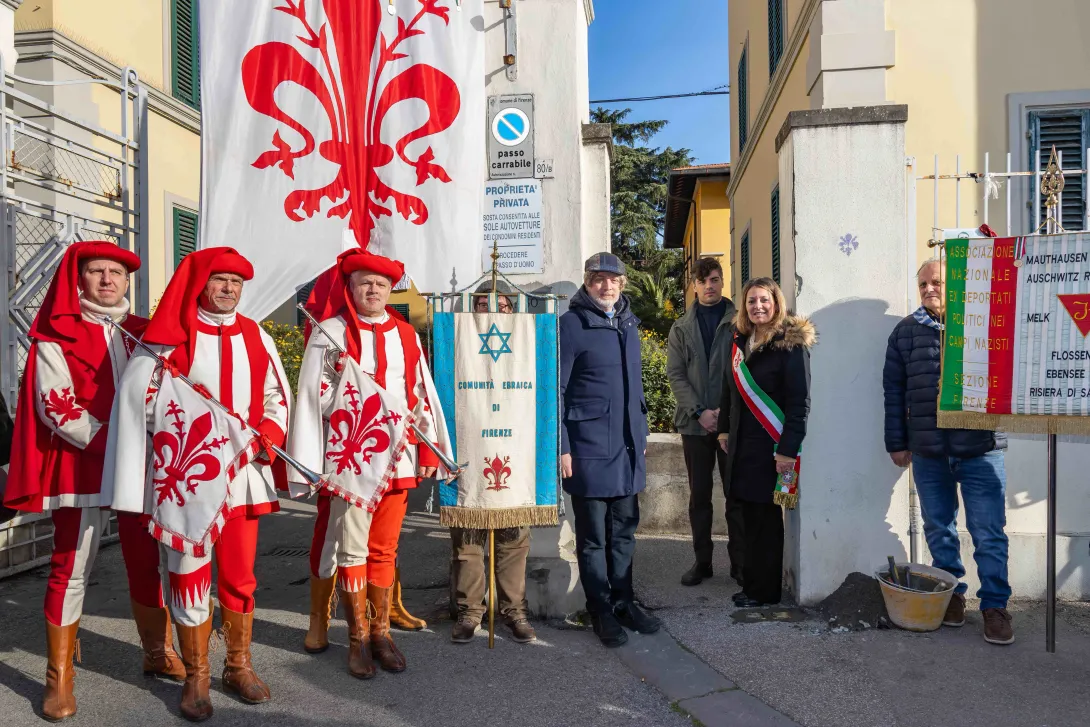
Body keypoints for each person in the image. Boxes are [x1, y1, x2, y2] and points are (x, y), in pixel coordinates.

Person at [106, 247, 291, 721]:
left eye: (237, 282)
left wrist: (263, 437)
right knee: (189, 572)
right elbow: (142, 403)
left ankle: (238, 664)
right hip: (188, 478)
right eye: (221, 280)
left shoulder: (256, 335)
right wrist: (195, 428)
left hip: (243, 474)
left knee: (239, 574)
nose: (230, 289)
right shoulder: (168, 337)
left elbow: (275, 396)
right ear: (202, 284)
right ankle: (197, 675)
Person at [2, 241, 184, 721]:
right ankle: (59, 677)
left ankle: (155, 650)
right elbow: (55, 404)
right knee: (71, 564)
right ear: (78, 280)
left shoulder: (147, 334)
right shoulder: (54, 333)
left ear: (129, 282)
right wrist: (117, 440)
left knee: (145, 558)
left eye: (117, 273)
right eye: (97, 272)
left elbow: (166, 393)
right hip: (82, 461)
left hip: (138, 464)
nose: (107, 280)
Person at [291, 249, 448, 678]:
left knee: (385, 549)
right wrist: (357, 396)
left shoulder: (405, 334)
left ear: (390, 289)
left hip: (397, 459)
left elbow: (420, 394)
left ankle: (381, 632)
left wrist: (429, 448)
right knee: (352, 548)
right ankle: (358, 635)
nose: (373, 289)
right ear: (351, 287)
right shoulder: (330, 332)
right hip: (352, 460)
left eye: (380, 283)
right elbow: (315, 394)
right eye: (365, 282)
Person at [883, 258, 1013, 645]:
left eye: (936, 282)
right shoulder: (904, 333)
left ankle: (994, 606)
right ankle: (952, 594)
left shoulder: (981, 324)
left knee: (988, 532)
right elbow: (894, 393)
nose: (928, 290)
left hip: (980, 448)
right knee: (939, 528)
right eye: (922, 284)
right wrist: (897, 443)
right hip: (928, 451)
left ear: (954, 285)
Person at [560, 252, 657, 648]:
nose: (606, 285)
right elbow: (557, 390)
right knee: (593, 538)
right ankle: (599, 608)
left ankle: (623, 601)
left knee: (624, 534)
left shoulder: (629, 323)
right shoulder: (571, 325)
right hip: (588, 449)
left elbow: (636, 391)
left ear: (622, 283)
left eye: (613, 279)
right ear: (586, 282)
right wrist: (562, 447)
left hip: (628, 447)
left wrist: (643, 435)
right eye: (598, 279)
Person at [717, 277, 814, 608]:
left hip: (772, 448)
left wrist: (787, 450)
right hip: (743, 445)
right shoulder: (741, 340)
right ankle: (750, 583)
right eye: (751, 301)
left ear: (776, 303)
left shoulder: (790, 345)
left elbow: (799, 404)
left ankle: (765, 591)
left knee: (767, 521)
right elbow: (730, 389)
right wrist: (725, 430)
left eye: (764, 300)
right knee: (746, 516)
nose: (757, 306)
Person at [449, 281, 534, 645]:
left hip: (515, 448)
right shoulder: (459, 343)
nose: (493, 311)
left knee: (515, 537)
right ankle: (470, 611)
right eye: (484, 304)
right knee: (468, 538)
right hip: (471, 447)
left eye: (502, 305)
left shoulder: (526, 347)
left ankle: (513, 609)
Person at [666, 257, 745, 587]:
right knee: (699, 497)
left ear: (722, 282)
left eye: (714, 279)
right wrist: (701, 411)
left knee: (736, 495)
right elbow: (676, 374)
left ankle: (740, 564)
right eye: (703, 281)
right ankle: (702, 562)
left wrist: (724, 415)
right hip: (695, 424)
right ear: (694, 286)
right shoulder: (681, 327)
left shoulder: (740, 322)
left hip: (733, 424)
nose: (709, 286)